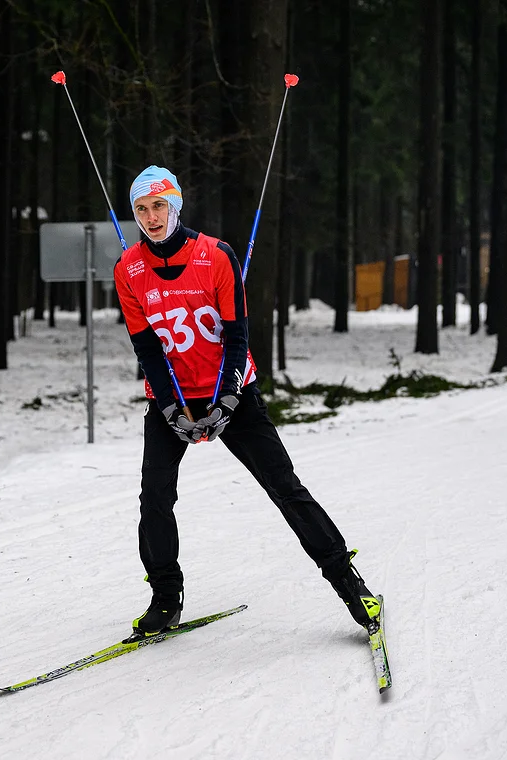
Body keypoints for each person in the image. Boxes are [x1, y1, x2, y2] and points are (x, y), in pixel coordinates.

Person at [112, 165, 380, 636]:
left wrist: (230, 399)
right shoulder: (128, 269)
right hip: (172, 399)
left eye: (158, 206)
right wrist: (173, 409)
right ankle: (164, 596)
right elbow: (148, 348)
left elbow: (238, 337)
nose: (151, 217)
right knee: (154, 496)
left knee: (284, 487)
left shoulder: (215, 256)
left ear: (175, 206)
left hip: (231, 392)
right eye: (140, 209)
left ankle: (348, 582)